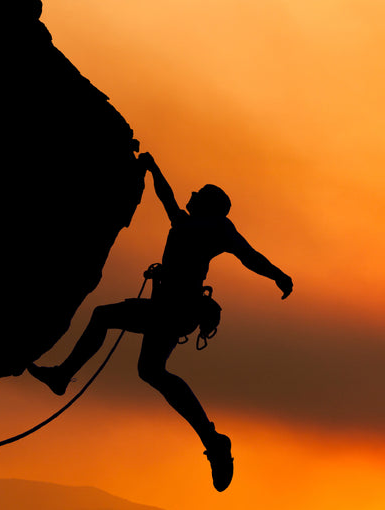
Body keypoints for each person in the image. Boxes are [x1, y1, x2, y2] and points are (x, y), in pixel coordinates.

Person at [29, 152, 293, 492]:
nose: (192, 195)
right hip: (174, 311)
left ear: (208, 204)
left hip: (172, 311)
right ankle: (213, 441)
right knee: (151, 370)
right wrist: (153, 169)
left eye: (198, 194)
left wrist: (278, 276)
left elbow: (248, 255)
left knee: (103, 316)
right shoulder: (197, 225)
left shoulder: (210, 227)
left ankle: (63, 375)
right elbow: (171, 201)